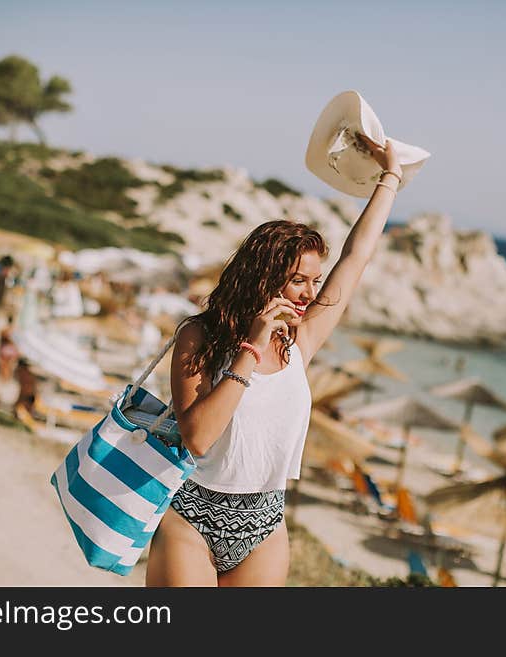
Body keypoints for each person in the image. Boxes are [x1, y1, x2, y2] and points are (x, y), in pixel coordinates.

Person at [144, 137, 403, 587]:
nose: (308, 293)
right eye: (297, 280)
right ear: (263, 276)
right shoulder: (200, 335)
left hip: (264, 524)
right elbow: (200, 438)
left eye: (314, 281)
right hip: (192, 516)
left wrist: (391, 176)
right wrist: (252, 345)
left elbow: (357, 255)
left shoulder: (301, 340)